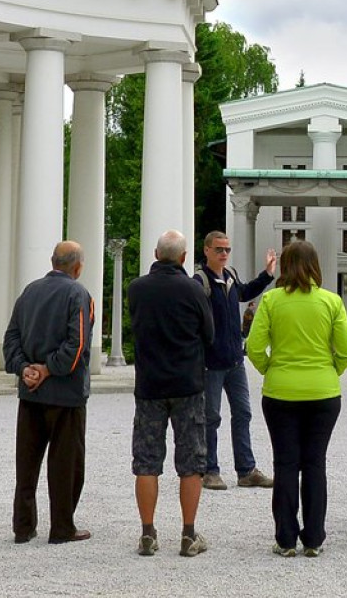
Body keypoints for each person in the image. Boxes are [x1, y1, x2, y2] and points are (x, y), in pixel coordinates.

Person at [245, 240, 347, 557]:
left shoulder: (272, 301)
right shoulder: (331, 302)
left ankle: (286, 538)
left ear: (285, 266)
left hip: (281, 391)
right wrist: (330, 371)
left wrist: (270, 368)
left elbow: (254, 347)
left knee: (286, 463)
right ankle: (314, 538)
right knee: (315, 463)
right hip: (322, 392)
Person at [125, 229, 214, 557]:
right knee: (191, 461)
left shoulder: (137, 289)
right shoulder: (193, 290)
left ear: (155, 253)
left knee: (146, 461)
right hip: (187, 384)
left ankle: (147, 532)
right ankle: (188, 534)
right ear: (184, 257)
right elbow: (210, 333)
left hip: (149, 385)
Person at [2, 240, 97, 543]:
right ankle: (62, 527)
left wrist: (24, 368)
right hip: (66, 395)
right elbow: (77, 344)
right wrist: (48, 369)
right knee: (66, 464)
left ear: (53, 261)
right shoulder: (78, 294)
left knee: (26, 464)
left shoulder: (29, 291)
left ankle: (23, 526)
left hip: (30, 394)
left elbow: (11, 338)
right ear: (78, 267)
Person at [196, 231, 277, 491]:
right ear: (206, 250)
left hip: (234, 361)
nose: (224, 253)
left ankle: (246, 470)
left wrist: (267, 275)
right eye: (219, 249)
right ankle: (210, 470)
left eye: (227, 249)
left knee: (243, 413)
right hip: (211, 363)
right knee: (211, 417)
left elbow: (244, 293)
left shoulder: (229, 275)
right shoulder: (199, 282)